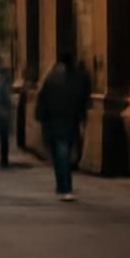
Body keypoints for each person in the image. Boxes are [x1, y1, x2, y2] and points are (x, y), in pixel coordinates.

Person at [35, 53, 88, 201]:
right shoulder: (75, 78)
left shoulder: (50, 77)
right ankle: (65, 187)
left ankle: (63, 186)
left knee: (60, 155)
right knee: (64, 153)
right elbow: (81, 98)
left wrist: (40, 117)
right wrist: (81, 118)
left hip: (54, 121)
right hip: (69, 121)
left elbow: (42, 98)